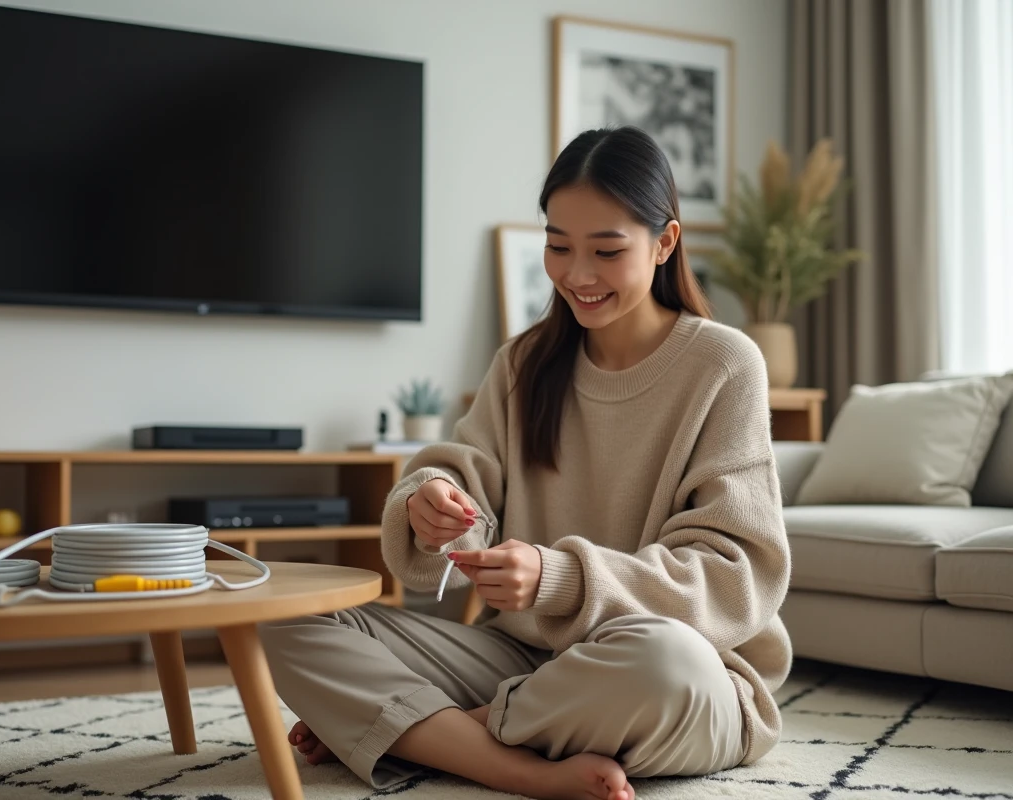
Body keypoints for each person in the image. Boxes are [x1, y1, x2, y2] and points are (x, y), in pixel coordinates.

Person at [261, 125, 791, 800]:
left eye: (606, 251)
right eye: (558, 245)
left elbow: (735, 573)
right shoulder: (524, 362)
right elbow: (463, 482)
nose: (577, 274)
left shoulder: (724, 364)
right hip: (521, 661)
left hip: (679, 673)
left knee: (665, 662)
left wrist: (560, 578)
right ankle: (517, 766)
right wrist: (431, 503)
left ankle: (429, 731)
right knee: (285, 619)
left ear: (665, 243)